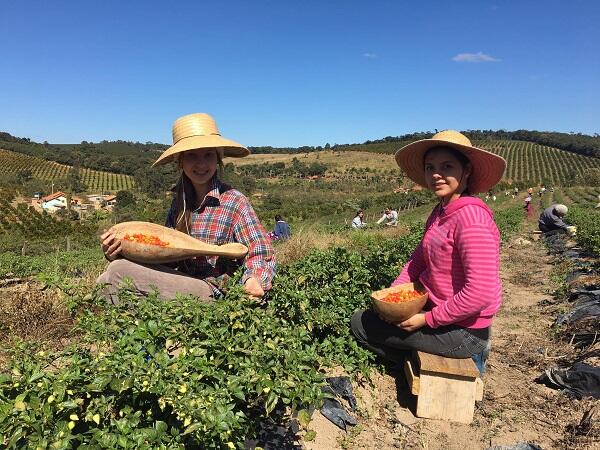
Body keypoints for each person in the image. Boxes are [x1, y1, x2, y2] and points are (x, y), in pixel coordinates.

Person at [351, 130, 506, 370]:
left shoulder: (472, 219)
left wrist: (426, 319)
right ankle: (416, 356)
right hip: (444, 315)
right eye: (430, 167)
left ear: (466, 171)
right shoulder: (440, 211)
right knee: (374, 316)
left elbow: (480, 293)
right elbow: (417, 261)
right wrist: (392, 300)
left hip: (465, 331)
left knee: (360, 324)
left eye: (447, 166)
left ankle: (415, 364)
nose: (436, 175)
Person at [97, 113, 276, 303]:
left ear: (218, 158)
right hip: (184, 282)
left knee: (118, 272)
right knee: (106, 278)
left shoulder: (234, 201)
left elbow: (261, 252)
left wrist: (254, 279)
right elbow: (168, 258)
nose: (201, 164)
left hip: (214, 290)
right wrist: (118, 252)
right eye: (191, 156)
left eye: (208, 154)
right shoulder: (179, 204)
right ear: (180, 161)